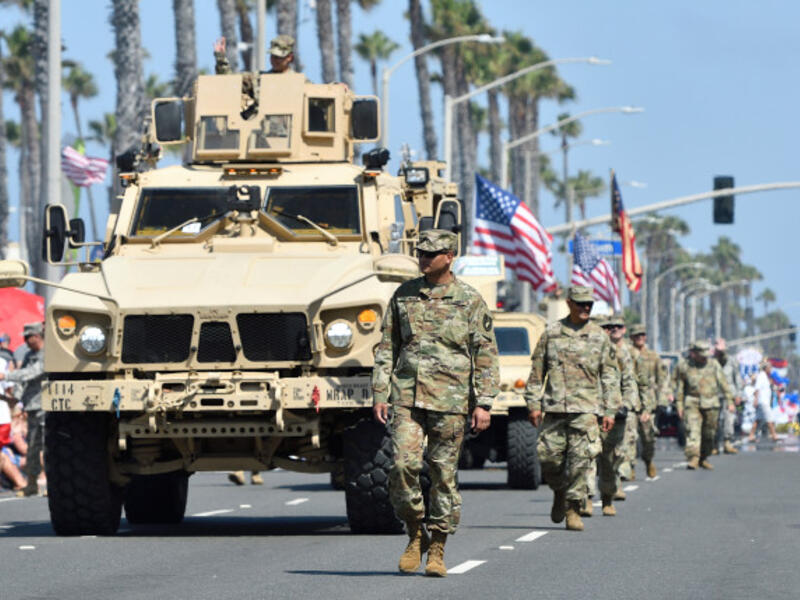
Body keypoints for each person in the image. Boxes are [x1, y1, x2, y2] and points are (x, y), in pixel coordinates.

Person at [372, 229, 499, 577]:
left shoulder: (469, 300)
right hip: (407, 398)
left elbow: (485, 354)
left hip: (451, 400)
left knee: (443, 475)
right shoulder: (403, 296)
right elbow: (387, 347)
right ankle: (415, 533)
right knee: (401, 466)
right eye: (421, 253)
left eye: (432, 253)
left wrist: (484, 403)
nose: (424, 259)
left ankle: (439, 546)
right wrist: (380, 392)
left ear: (450, 256)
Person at [525, 286, 620, 532]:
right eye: (580, 303)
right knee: (548, 459)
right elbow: (537, 373)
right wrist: (533, 404)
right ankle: (559, 490)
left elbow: (610, 376)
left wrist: (610, 410)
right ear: (569, 303)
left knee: (581, 463)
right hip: (555, 409)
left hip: (587, 411)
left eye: (589, 304)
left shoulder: (600, 337)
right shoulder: (552, 333)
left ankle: (572, 509)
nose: (585, 308)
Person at [589, 315, 641, 517]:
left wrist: (627, 404)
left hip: (615, 413)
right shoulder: (586, 350)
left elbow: (629, 381)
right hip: (588, 411)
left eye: (612, 328)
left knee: (610, 459)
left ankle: (607, 497)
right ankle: (585, 498)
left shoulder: (622, 353)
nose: (609, 331)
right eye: (604, 327)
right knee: (586, 456)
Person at [0, 322, 45, 496]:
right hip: (32, 407)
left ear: (36, 336)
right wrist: (15, 400)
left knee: (49, 447)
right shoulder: (29, 355)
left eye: (28, 337)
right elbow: (23, 379)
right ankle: (32, 484)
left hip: (46, 407)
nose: (25, 341)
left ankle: (55, 485)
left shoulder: (47, 354)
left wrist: (6, 375)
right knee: (33, 448)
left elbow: (33, 372)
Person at [674, 340, 734, 470]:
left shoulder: (714, 364)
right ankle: (693, 458)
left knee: (709, 434)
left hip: (711, 403)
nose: (704, 357)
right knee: (693, 432)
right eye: (701, 354)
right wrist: (679, 405)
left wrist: (730, 401)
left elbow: (723, 384)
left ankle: (703, 457)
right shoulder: (684, 366)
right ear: (694, 353)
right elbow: (680, 388)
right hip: (692, 402)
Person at [628, 324, 660, 478]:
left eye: (642, 335)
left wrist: (663, 397)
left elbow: (662, 379)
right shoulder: (626, 353)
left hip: (648, 401)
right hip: (631, 401)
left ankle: (648, 461)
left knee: (648, 437)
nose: (639, 338)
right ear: (631, 338)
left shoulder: (653, 356)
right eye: (636, 335)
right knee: (630, 437)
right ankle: (630, 466)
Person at [713, 338, 742, 454]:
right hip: (714, 395)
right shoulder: (711, 362)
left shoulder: (732, 361)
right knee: (714, 420)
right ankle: (714, 445)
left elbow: (737, 378)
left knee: (728, 419)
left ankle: (727, 443)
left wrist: (739, 394)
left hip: (729, 394)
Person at [214, 34, 297, 75]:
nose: (274, 60)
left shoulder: (300, 82)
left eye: (278, 57)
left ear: (290, 57)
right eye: (272, 56)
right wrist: (221, 59)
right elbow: (231, 82)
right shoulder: (259, 78)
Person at [749, 358, 778, 442]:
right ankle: (774, 435)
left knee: (757, 420)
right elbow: (757, 389)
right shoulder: (761, 375)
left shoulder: (765, 377)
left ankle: (751, 435)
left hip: (763, 402)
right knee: (769, 419)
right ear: (766, 368)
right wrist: (755, 400)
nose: (771, 369)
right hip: (763, 402)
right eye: (770, 368)